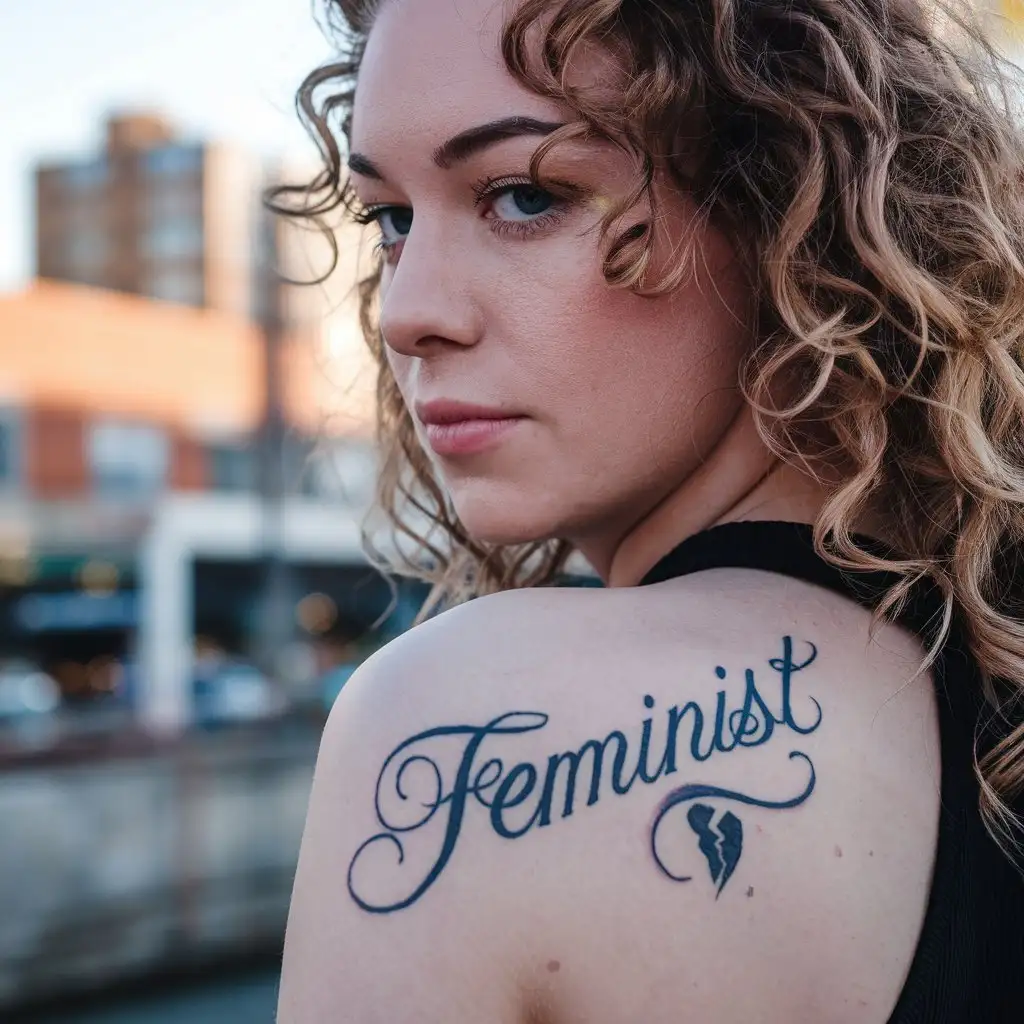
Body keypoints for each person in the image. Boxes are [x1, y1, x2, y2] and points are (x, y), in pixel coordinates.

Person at [270, 0, 1024, 1019]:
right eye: (391, 218)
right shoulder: (994, 671)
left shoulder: (458, 721)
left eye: (524, 196)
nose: (407, 313)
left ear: (784, 205)